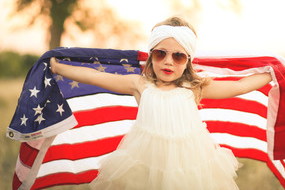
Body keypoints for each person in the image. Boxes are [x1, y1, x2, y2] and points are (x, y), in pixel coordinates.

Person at [50, 16, 272, 190]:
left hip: (190, 165)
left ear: (188, 62)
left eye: (178, 56)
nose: (168, 61)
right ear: (150, 56)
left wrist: (274, 73)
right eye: (160, 53)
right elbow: (95, 77)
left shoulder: (195, 87)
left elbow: (240, 86)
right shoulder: (140, 85)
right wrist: (59, 68)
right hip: (145, 163)